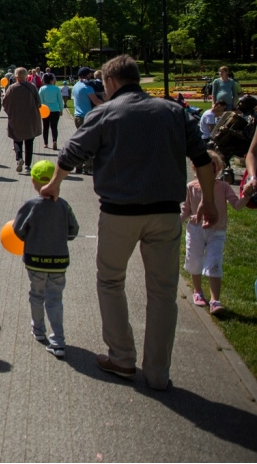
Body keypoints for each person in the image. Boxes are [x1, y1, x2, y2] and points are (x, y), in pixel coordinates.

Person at [40, 55, 217, 391]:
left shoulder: (105, 113)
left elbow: (71, 152)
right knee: (163, 292)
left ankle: (121, 357)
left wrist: (55, 184)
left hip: (119, 212)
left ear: (110, 82)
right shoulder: (173, 112)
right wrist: (208, 201)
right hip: (165, 211)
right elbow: (203, 159)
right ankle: (157, 371)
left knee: (110, 281)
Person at [14, 160, 80, 359]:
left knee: (36, 294)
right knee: (55, 299)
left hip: (35, 260)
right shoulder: (63, 206)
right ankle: (58, 340)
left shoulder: (30, 205)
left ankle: (38, 330)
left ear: (33, 181)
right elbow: (74, 231)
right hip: (58, 262)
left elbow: (18, 230)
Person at [181, 150, 247, 316]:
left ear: (218, 168)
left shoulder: (223, 187)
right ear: (196, 169)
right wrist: (174, 223)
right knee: (194, 260)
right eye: (205, 167)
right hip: (196, 230)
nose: (211, 171)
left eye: (214, 167)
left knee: (214, 262)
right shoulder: (191, 187)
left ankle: (215, 300)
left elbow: (237, 205)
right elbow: (185, 210)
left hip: (216, 232)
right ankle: (197, 291)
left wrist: (247, 195)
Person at [4, 67, 43, 174]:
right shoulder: (32, 86)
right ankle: (27, 166)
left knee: (17, 140)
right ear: (26, 75)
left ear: (15, 76)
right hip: (30, 118)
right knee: (29, 142)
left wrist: (10, 113)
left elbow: (5, 103)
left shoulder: (11, 88)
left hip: (16, 118)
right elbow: (39, 103)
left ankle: (19, 158)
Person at [72, 67, 104, 174]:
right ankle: (88, 167)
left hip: (77, 116)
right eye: (90, 73)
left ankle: (78, 166)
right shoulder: (87, 87)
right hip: (87, 117)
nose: (91, 75)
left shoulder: (76, 86)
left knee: (81, 143)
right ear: (87, 75)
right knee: (90, 144)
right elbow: (96, 101)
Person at [39, 73, 63, 150]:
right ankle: (54, 140)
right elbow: (60, 100)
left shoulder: (42, 89)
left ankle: (45, 143)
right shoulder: (56, 89)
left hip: (45, 110)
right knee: (54, 126)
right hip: (55, 110)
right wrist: (61, 109)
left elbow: (40, 101)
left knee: (45, 127)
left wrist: (40, 110)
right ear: (52, 80)